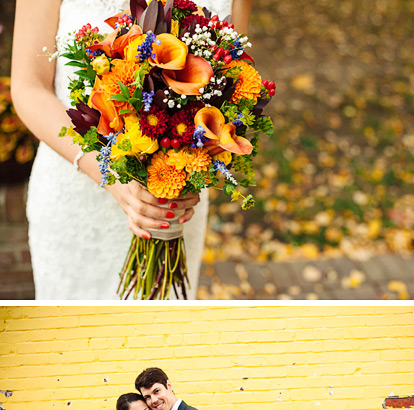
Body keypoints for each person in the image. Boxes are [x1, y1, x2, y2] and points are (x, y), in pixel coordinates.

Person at [10, 0, 253, 299]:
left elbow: (230, 77)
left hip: (172, 209)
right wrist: (110, 174)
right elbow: (28, 87)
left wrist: (190, 165)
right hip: (76, 201)